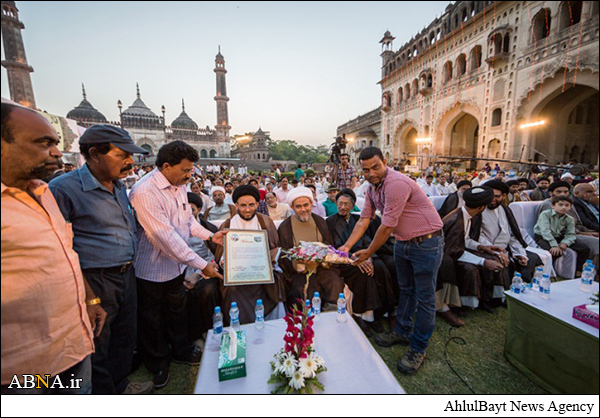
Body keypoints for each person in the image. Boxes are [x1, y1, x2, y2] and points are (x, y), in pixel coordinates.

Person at [49, 124, 153, 395]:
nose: (131, 161)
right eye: (122, 155)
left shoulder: (119, 185)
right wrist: (89, 294)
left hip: (126, 274)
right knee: (98, 344)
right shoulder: (63, 190)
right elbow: (60, 248)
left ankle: (120, 386)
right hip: (96, 280)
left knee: (124, 337)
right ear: (94, 154)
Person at [1, 103, 97, 394]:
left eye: (55, 142)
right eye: (44, 143)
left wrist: (90, 299)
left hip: (72, 346)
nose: (56, 152)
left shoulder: (42, 192)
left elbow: (64, 254)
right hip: (20, 370)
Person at [129, 141, 226, 389]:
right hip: (151, 269)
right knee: (152, 319)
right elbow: (165, 236)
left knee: (176, 311)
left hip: (176, 267)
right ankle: (158, 362)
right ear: (166, 166)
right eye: (185, 170)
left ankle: (181, 350)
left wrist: (208, 235)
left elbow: (186, 222)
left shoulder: (179, 185)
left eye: (191, 169)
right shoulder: (144, 191)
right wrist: (201, 263)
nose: (189, 175)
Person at [340, 147, 444, 375]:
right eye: (366, 169)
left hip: (426, 243)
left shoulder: (396, 184)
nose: (371, 173)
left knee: (425, 297)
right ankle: (403, 331)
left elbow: (386, 226)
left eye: (376, 167)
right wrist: (347, 246)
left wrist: (367, 252)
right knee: (406, 289)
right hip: (403, 242)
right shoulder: (371, 188)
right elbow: (364, 219)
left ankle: (418, 347)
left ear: (384, 162)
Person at [326, 188, 396, 336]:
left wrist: (368, 256)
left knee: (380, 267)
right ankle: (364, 316)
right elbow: (332, 247)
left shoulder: (358, 221)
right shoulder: (330, 223)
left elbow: (367, 241)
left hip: (363, 256)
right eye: (339, 204)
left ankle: (384, 311)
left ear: (353, 206)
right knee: (362, 272)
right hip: (344, 260)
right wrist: (355, 259)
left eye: (346, 204)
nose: (342, 207)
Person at [213, 185, 286, 324]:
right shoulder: (227, 225)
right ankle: (240, 326)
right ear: (236, 205)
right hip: (237, 275)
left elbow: (275, 248)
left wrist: (268, 261)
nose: (247, 209)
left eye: (251, 205)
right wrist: (224, 262)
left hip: (262, 272)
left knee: (274, 284)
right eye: (243, 205)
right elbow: (221, 254)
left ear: (257, 204)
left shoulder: (266, 222)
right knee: (231, 290)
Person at [439, 186, 507, 316]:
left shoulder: (469, 214)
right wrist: (483, 262)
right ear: (482, 207)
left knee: (494, 258)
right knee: (472, 268)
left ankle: (487, 299)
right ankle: (463, 304)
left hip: (457, 250)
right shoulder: (456, 220)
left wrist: (482, 247)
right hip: (447, 256)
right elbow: (453, 251)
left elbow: (465, 239)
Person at [278, 187, 345, 311]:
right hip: (299, 271)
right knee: (300, 290)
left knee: (334, 283)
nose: (303, 209)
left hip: (321, 267)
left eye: (306, 205)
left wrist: (322, 258)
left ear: (311, 205)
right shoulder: (285, 227)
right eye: (298, 206)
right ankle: (305, 323)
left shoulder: (319, 221)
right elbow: (283, 255)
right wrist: (298, 263)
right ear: (292, 207)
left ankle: (331, 317)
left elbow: (328, 245)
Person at [470, 180, 542, 287]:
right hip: (485, 250)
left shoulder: (505, 210)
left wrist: (519, 253)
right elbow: (477, 236)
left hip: (506, 249)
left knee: (532, 258)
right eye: (490, 196)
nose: (492, 200)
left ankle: (522, 290)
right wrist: (497, 253)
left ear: (503, 196)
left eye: (496, 196)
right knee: (501, 263)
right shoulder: (478, 211)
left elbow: (513, 236)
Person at [534, 196, 589, 279]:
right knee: (553, 252)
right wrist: (554, 245)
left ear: (570, 207)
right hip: (543, 237)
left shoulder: (569, 219)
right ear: (553, 205)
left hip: (558, 236)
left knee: (584, 249)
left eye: (567, 205)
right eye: (560, 205)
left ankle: (578, 272)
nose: (564, 207)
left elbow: (571, 234)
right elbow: (545, 231)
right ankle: (548, 274)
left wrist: (565, 243)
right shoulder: (545, 214)